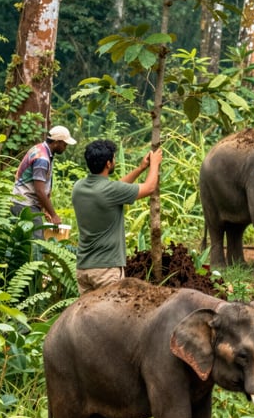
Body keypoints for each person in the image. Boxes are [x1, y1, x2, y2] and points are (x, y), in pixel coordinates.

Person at [72, 139, 162, 295]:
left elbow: (117, 188)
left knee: (89, 318)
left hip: (83, 270)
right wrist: (155, 164)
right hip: (106, 272)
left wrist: (141, 168)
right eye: (113, 158)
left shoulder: (78, 187)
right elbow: (149, 188)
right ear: (108, 164)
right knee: (111, 318)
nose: (114, 161)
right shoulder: (110, 191)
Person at [11, 125, 77, 237]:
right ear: (56, 142)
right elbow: (39, 191)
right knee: (36, 243)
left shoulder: (40, 148)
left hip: (21, 202)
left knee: (19, 242)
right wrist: (54, 215)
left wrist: (45, 209)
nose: (65, 147)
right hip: (25, 204)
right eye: (64, 144)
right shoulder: (42, 159)